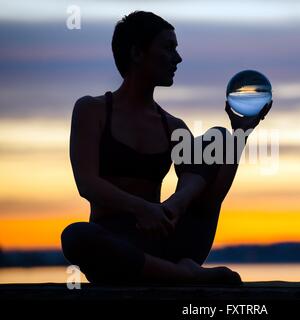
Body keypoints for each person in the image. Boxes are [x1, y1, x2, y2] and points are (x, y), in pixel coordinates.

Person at [60, 11, 272, 285]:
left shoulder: (173, 127)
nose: (178, 58)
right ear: (137, 53)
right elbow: (86, 184)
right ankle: (184, 276)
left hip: (167, 238)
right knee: (76, 237)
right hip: (117, 243)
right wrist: (142, 209)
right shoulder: (92, 110)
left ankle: (168, 265)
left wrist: (240, 134)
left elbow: (209, 201)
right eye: (169, 48)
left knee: (218, 137)